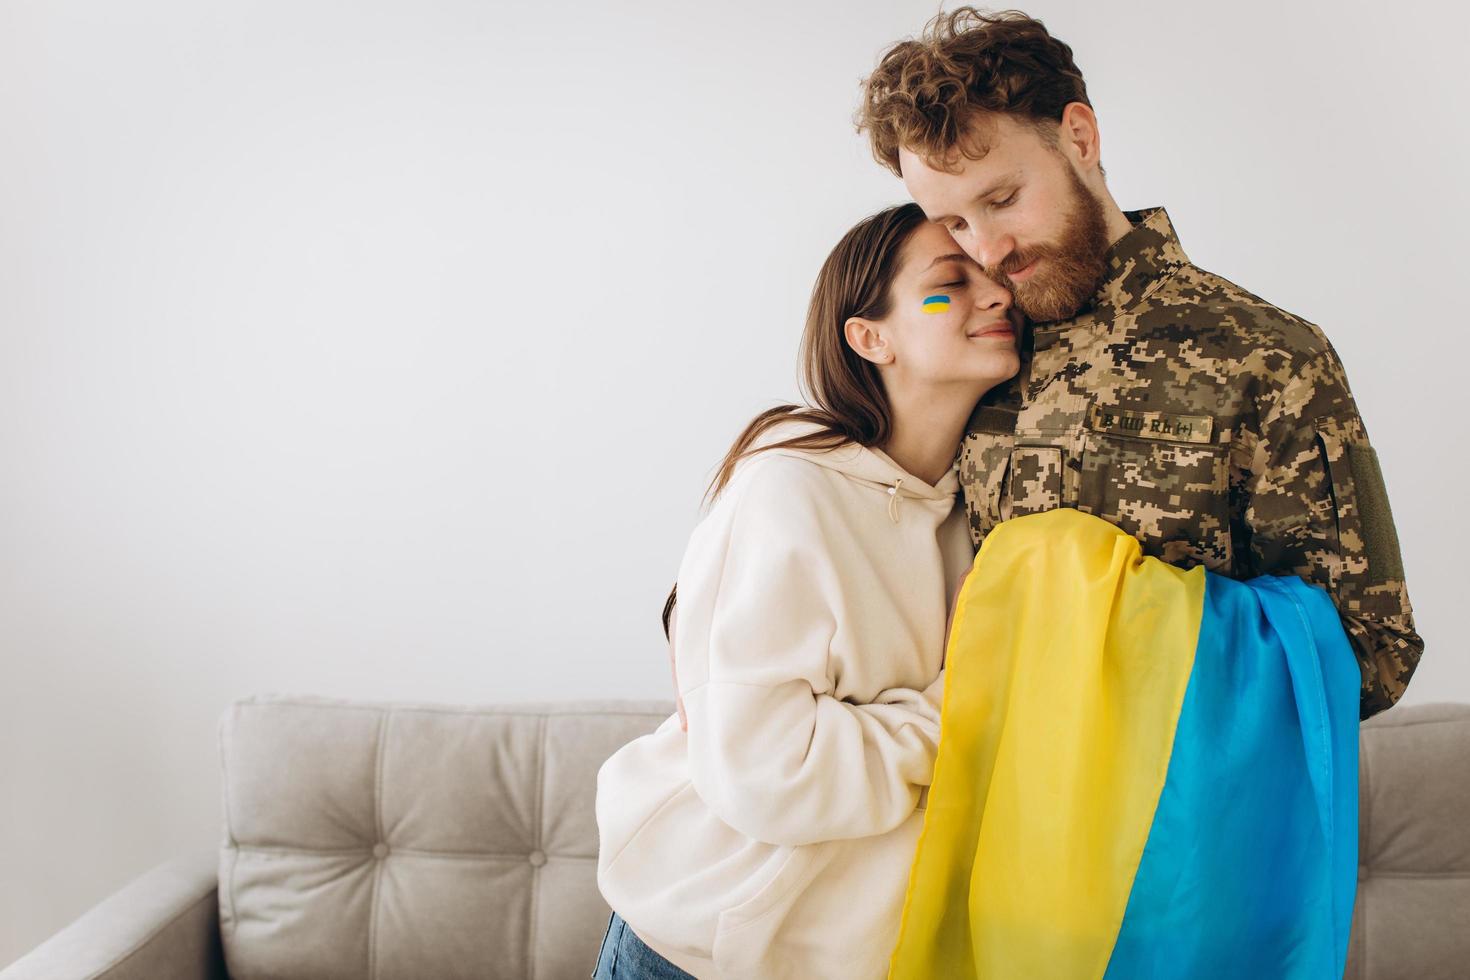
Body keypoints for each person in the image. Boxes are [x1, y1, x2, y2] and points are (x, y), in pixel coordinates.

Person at [852, 6, 1422, 720]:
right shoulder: (970, 349)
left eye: (1003, 199)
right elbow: (855, 495)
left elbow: (1374, 652)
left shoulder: (1271, 357)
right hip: (993, 809)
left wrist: (1102, 611)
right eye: (957, 224)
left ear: (1080, 138)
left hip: (1179, 819)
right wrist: (707, 611)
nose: (989, 250)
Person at [592, 203, 1021, 978]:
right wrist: (962, 703)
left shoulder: (982, 513)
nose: (995, 297)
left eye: (992, 279)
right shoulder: (788, 489)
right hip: (699, 949)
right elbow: (770, 776)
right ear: (870, 336)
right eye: (949, 284)